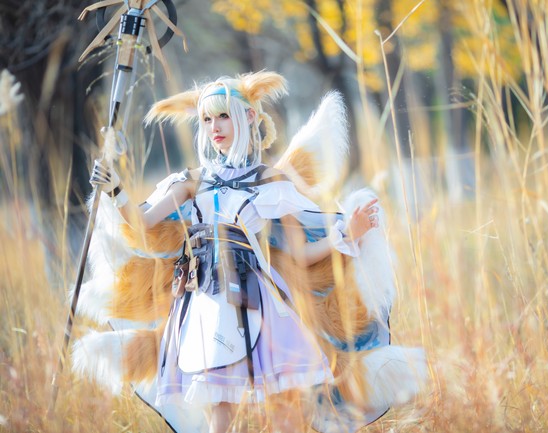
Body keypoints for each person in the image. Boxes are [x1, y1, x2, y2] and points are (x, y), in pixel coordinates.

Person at [90, 70, 379, 433]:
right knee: (219, 402)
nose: (215, 127)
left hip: (257, 298)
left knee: (284, 401)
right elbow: (142, 220)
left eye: (224, 116)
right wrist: (115, 189)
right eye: (207, 119)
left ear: (250, 116)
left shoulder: (269, 182)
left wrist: (347, 234)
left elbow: (300, 254)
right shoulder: (193, 181)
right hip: (205, 298)